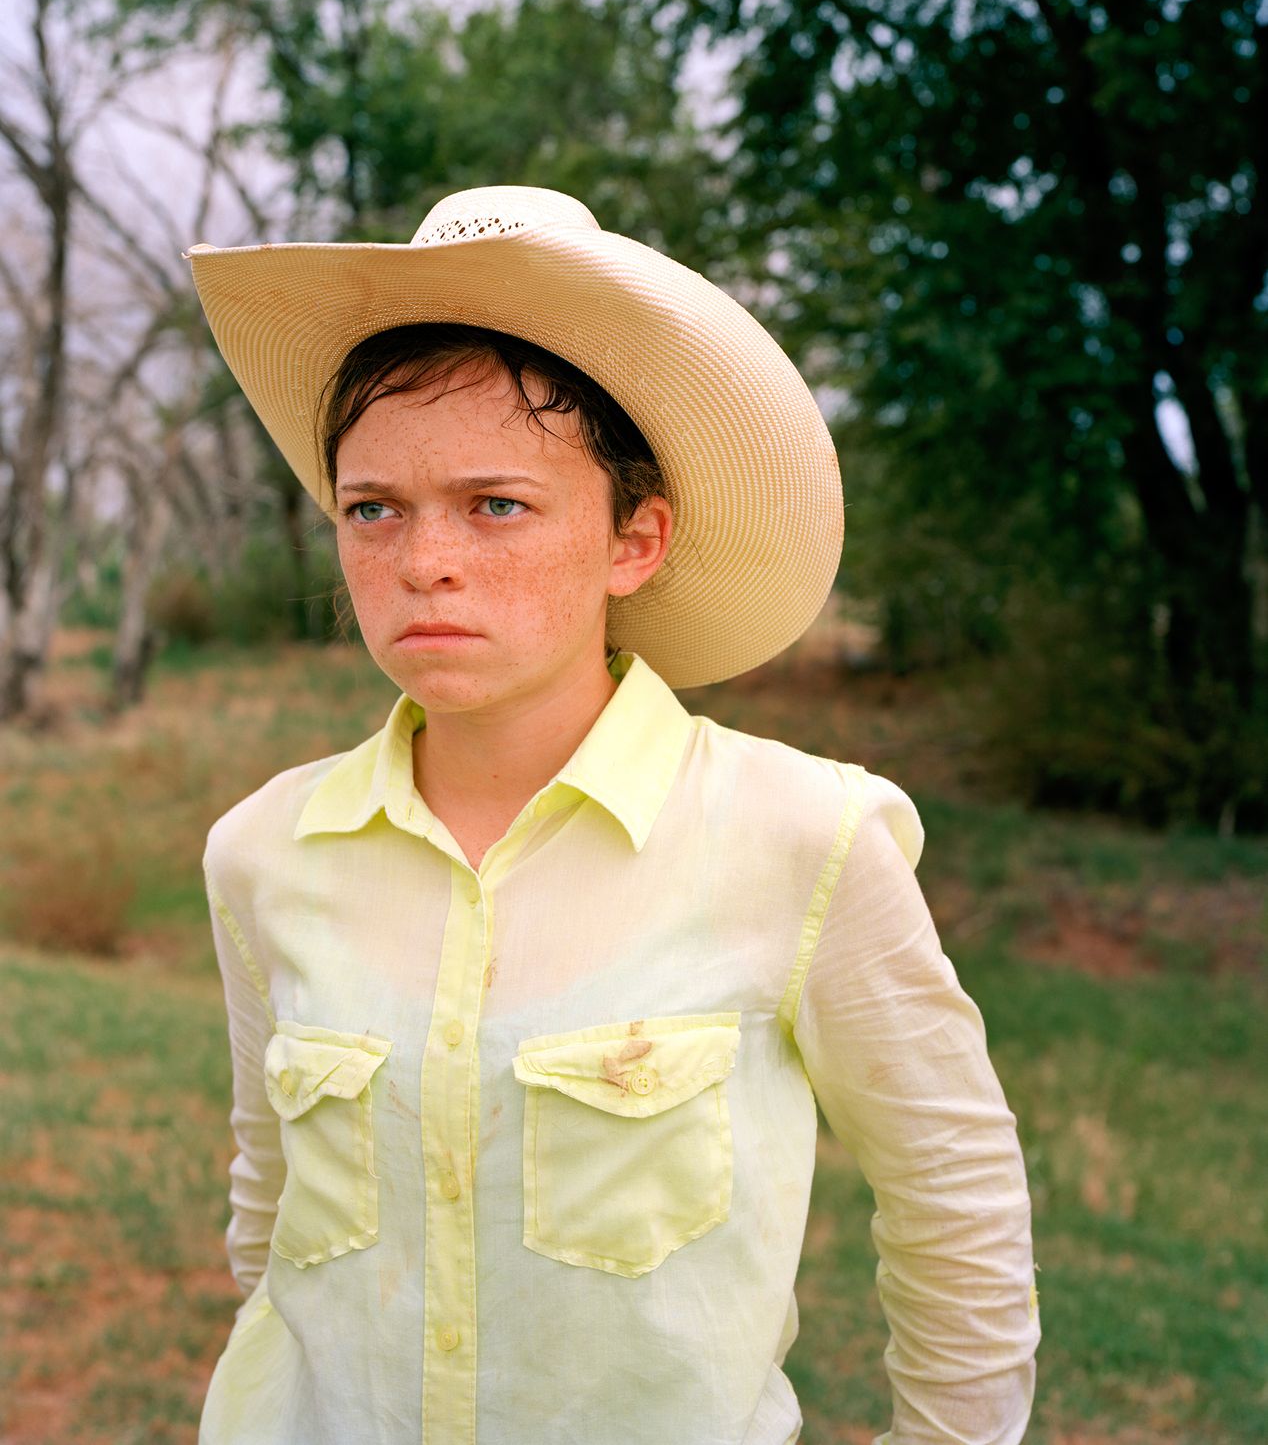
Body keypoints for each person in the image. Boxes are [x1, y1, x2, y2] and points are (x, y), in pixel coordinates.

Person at [184, 185, 1039, 1445]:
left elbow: (954, 1201)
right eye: (373, 508)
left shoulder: (803, 840)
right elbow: (271, 1213)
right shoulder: (261, 852)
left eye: (497, 504)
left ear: (633, 538)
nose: (424, 558)